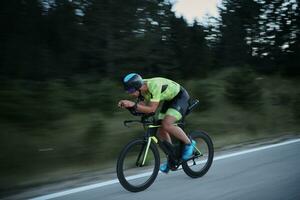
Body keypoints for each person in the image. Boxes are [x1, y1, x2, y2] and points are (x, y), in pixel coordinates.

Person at [118, 73, 196, 174]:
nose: (130, 94)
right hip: (169, 100)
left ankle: (189, 143)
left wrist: (132, 104)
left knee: (167, 124)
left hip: (180, 97)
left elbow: (151, 109)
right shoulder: (141, 91)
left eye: (131, 91)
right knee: (160, 131)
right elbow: (142, 109)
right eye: (128, 91)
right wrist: (130, 107)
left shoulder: (154, 86)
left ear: (138, 87)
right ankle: (172, 157)